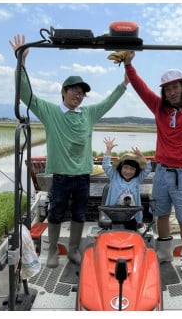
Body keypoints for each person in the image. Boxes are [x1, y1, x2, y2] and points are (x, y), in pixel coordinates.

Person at [10, 34, 130, 268]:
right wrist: (21, 64)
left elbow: (108, 102)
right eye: (75, 90)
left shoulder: (88, 114)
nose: (79, 95)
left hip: (83, 175)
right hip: (62, 176)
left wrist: (124, 84)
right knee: (55, 214)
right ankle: (53, 251)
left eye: (82, 92)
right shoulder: (50, 112)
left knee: (79, 214)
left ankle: (74, 250)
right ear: (63, 91)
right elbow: (25, 94)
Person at [121, 33, 182, 280]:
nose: (171, 92)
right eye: (167, 89)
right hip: (162, 171)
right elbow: (141, 89)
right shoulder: (159, 109)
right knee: (161, 214)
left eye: (175, 87)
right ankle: (164, 254)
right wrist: (128, 65)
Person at [101, 137, 152, 231]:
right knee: (115, 234)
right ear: (120, 168)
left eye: (132, 169)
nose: (128, 171)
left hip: (132, 215)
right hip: (114, 214)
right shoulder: (114, 176)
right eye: (126, 168)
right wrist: (108, 149)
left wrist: (141, 156)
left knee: (131, 234)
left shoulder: (137, 179)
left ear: (136, 171)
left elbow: (148, 168)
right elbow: (105, 165)